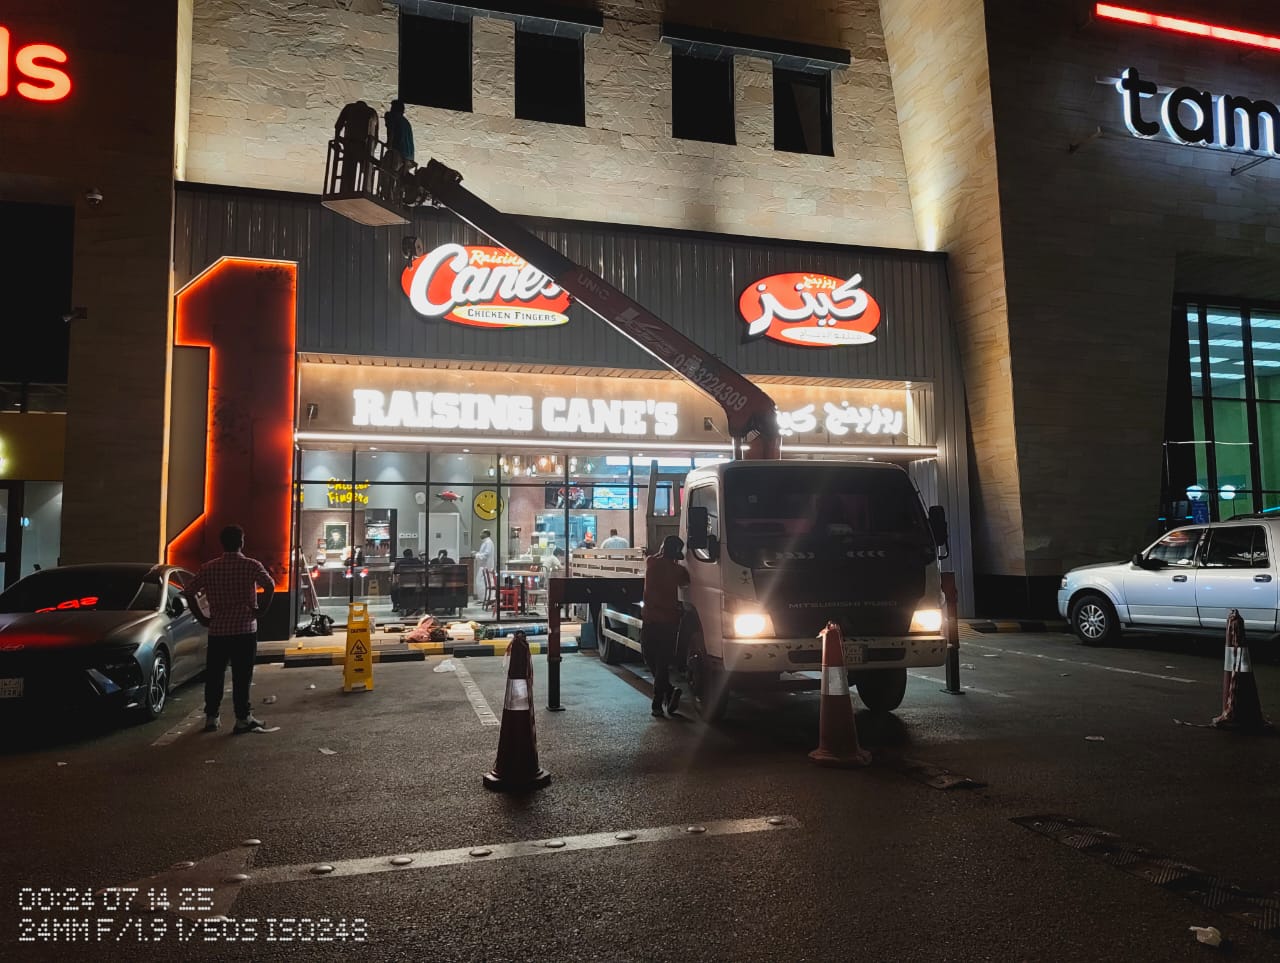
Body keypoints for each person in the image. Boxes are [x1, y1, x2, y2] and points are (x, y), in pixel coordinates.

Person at [184, 524, 275, 734]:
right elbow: (269, 585)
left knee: (215, 676)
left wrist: (202, 618)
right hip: (245, 629)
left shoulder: (209, 568)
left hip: (218, 631)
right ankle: (242, 718)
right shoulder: (251, 565)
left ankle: (211, 717)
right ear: (241, 542)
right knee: (242, 676)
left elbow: (189, 592)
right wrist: (261, 610)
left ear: (222, 543)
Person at [642, 535, 690, 718]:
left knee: (649, 657)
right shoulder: (678, 571)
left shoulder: (651, 562)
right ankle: (667, 693)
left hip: (650, 619)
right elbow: (685, 582)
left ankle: (660, 700)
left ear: (663, 548)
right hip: (670, 621)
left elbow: (655, 556)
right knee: (662, 662)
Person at [473, 529, 496, 600]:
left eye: (481, 533)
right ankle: (484, 598)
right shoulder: (485, 542)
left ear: (486, 534)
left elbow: (486, 554)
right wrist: (477, 553)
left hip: (486, 566)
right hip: (484, 566)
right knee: (482, 582)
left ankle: (488, 598)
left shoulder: (488, 542)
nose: (480, 534)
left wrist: (476, 555)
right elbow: (483, 553)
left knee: (484, 583)